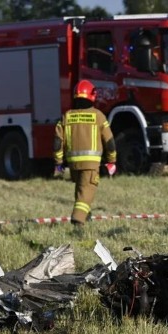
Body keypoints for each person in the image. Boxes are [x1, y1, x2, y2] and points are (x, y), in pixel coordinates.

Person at [53, 79, 117, 227]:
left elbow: (57, 142)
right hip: (91, 165)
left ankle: (86, 217)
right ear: (92, 96)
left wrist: (58, 162)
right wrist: (111, 160)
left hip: (73, 165)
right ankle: (78, 220)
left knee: (81, 191)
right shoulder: (98, 116)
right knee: (87, 191)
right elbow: (110, 142)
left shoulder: (66, 116)